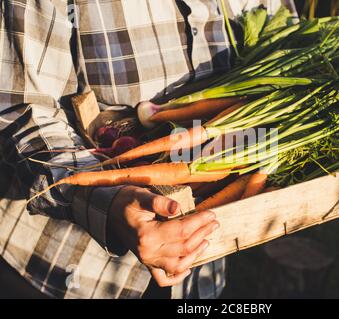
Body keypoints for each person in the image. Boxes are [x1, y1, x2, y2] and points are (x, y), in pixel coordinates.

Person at [0, 0, 296, 299]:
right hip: (63, 271)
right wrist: (108, 197)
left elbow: (290, 66)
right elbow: (22, 109)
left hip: (199, 272)